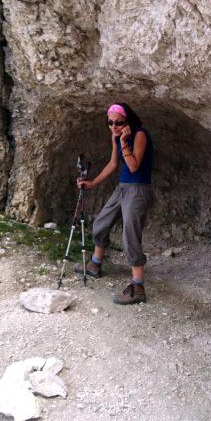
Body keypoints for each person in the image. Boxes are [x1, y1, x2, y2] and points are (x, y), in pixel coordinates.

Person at [75, 103, 155, 304]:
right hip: (122, 188)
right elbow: (113, 163)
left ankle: (138, 287)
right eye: (109, 123)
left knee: (130, 233)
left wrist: (125, 142)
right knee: (101, 222)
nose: (113, 127)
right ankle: (95, 264)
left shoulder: (139, 135)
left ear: (128, 120)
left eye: (118, 122)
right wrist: (92, 183)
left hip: (138, 189)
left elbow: (134, 166)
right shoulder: (116, 136)